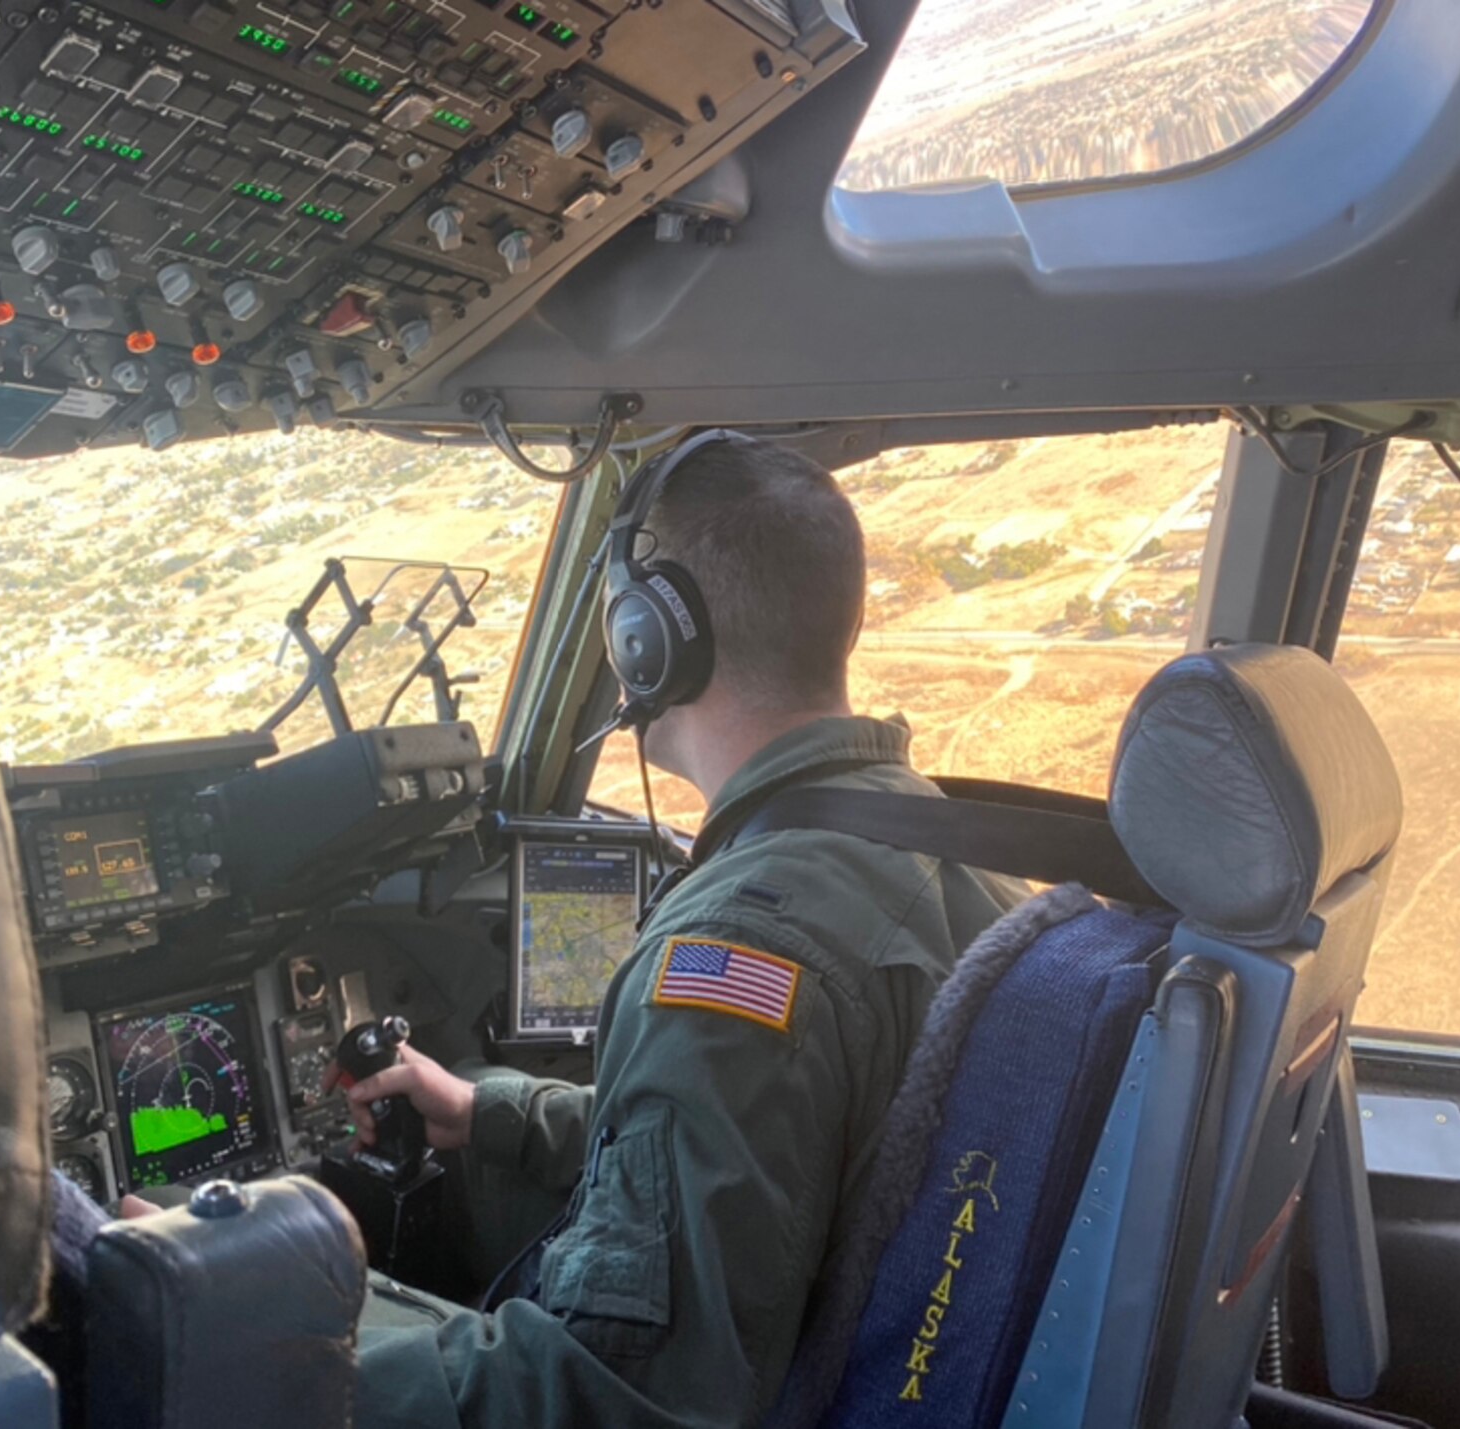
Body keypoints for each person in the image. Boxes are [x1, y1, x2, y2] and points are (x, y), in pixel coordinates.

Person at [343, 434, 1022, 1428]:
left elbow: (619, 1396)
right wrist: (494, 1110)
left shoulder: (741, 952)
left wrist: (278, 1344)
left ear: (647, 639)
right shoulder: (953, 849)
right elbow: (767, 1161)